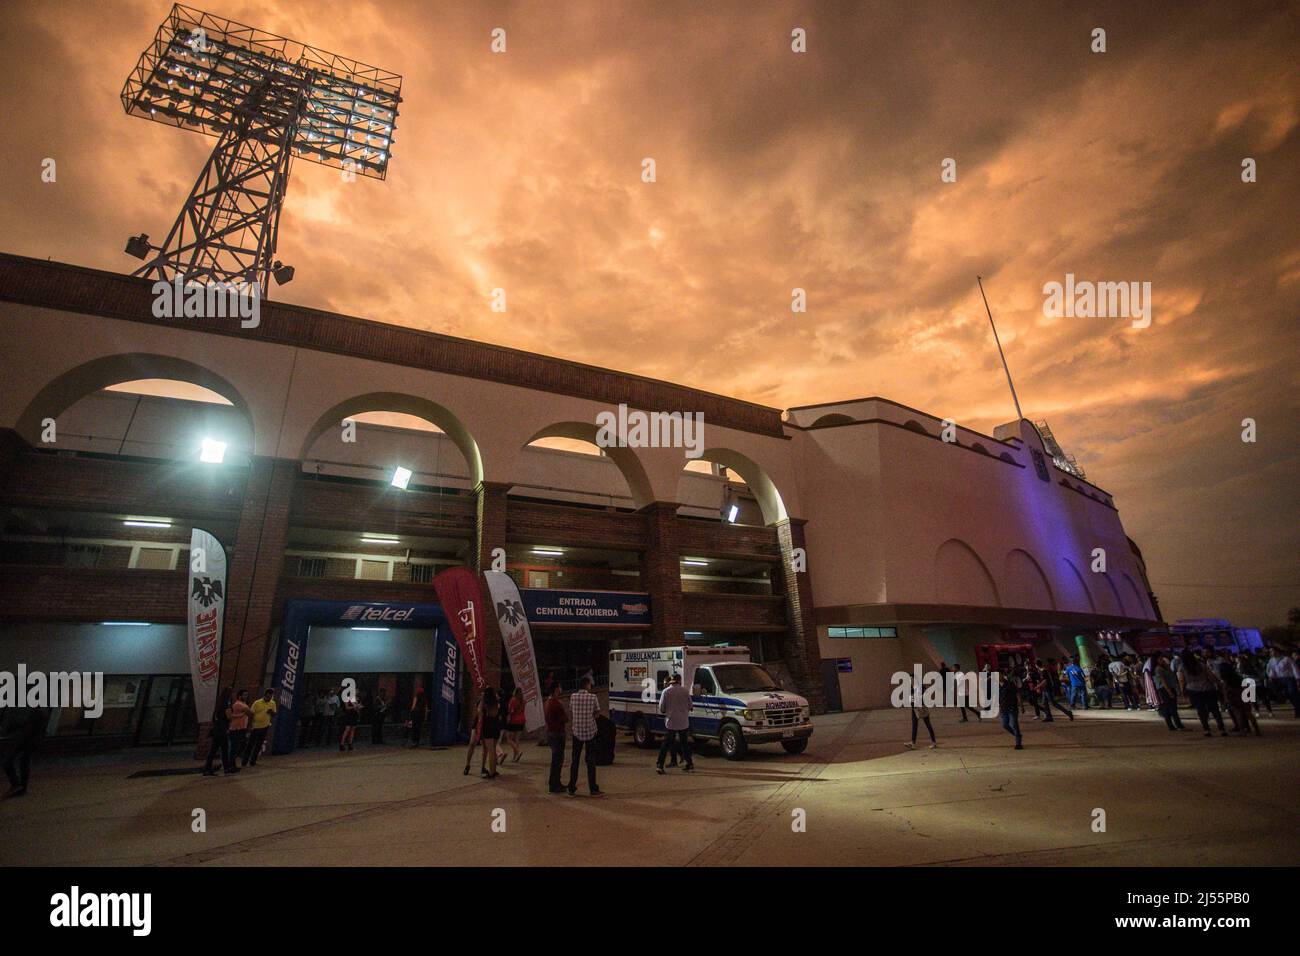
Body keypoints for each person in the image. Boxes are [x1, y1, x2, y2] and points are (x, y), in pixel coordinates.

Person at [566, 676, 602, 795]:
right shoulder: (593, 697)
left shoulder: (573, 697)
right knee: (591, 761)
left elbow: (571, 712)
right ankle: (593, 787)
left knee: (575, 760)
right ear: (587, 685)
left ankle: (572, 786)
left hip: (577, 731)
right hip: (590, 731)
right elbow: (597, 713)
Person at [1181, 650, 1228, 737]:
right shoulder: (1200, 664)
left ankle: (1207, 729)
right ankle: (1222, 729)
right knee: (1214, 709)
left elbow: (1182, 680)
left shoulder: (1183, 667)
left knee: (1201, 710)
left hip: (1193, 690)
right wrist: (1218, 683)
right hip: (1207, 688)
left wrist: (1182, 691)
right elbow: (1210, 675)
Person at [3, 706, 48, 797]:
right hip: (28, 740)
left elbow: (28, 727)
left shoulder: (36, 712)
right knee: (23, 762)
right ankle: (20, 787)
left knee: (16, 761)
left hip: (26, 740)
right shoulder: (38, 711)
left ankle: (18, 786)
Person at [656, 673, 694, 772]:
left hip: (671, 722)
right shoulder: (685, 691)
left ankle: (660, 765)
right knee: (684, 744)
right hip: (683, 722)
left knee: (665, 744)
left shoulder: (666, 691)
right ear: (679, 680)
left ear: (671, 681)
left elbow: (661, 708)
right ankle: (689, 764)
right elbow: (691, 706)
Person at [1220, 660, 1260, 737]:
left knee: (1238, 714)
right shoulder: (1238, 677)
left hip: (1234, 697)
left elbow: (1225, 689)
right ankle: (1257, 730)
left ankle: (1242, 730)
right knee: (1248, 713)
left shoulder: (1226, 679)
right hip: (1243, 695)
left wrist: (1226, 699)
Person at [203, 686, 238, 775]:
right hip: (223, 730)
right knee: (224, 749)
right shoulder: (227, 704)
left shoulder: (219, 704)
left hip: (217, 729)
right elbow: (229, 716)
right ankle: (226, 768)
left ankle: (207, 768)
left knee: (213, 750)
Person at [244, 688, 277, 766]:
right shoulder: (257, 703)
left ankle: (253, 761)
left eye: (271, 696)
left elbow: (274, 714)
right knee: (250, 744)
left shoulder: (272, 703)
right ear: (265, 695)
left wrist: (271, 712)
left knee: (259, 744)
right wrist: (250, 725)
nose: (269, 698)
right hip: (255, 726)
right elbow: (251, 714)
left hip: (265, 726)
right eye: (268, 696)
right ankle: (245, 761)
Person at [544, 683, 567, 794]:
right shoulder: (556, 704)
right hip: (557, 733)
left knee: (556, 759)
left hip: (551, 733)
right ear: (556, 689)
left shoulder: (548, 702)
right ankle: (555, 784)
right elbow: (565, 718)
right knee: (557, 760)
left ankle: (555, 783)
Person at [904, 674, 936, 750]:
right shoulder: (911, 688)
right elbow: (911, 698)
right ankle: (913, 743)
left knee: (928, 725)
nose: (910, 681)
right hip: (914, 709)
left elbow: (923, 696)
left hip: (921, 708)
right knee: (914, 726)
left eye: (911, 679)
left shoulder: (920, 687)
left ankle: (934, 742)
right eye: (909, 679)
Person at [1152, 656, 1184, 731]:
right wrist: (1169, 691)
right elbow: (1163, 681)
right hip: (1165, 689)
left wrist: (1167, 666)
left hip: (1168, 688)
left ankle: (1174, 725)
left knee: (1171, 707)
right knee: (1170, 708)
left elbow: (1171, 674)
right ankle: (1175, 725)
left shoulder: (1164, 668)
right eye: (1160, 659)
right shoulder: (1158, 669)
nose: (1162, 660)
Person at [1266, 647, 1300, 717]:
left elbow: (1294, 668)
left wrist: (1298, 679)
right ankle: (1297, 708)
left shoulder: (1286, 659)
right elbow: (1271, 670)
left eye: (1273, 651)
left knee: (1293, 694)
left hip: (1289, 679)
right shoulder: (1271, 661)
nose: (1272, 653)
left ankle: (1298, 710)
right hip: (1279, 680)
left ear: (1277, 651)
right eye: (1270, 651)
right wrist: (1271, 677)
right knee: (1288, 696)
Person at [479, 687, 501, 779]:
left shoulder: (484, 704)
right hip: (496, 726)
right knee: (494, 749)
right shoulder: (496, 703)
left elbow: (480, 716)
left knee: (490, 751)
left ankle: (491, 773)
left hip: (488, 726)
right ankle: (494, 770)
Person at [498, 687, 525, 763]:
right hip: (522, 720)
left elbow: (511, 711)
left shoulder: (513, 700)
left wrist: (507, 721)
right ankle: (515, 756)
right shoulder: (523, 700)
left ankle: (518, 751)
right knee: (516, 739)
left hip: (514, 721)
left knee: (509, 739)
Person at [999, 670, 1023, 749]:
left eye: (999, 675)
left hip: (1012, 708)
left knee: (1014, 725)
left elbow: (1017, 694)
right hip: (1003, 708)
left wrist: (1021, 705)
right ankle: (1017, 735)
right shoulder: (996, 686)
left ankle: (1018, 743)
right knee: (1005, 725)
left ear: (1003, 675)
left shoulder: (1010, 684)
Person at [228, 689, 252, 764]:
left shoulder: (244, 703)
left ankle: (233, 761)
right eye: (244, 695)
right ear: (239, 696)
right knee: (235, 746)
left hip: (242, 727)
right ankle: (231, 762)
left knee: (241, 744)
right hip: (236, 728)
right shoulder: (238, 704)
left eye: (247, 695)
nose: (246, 696)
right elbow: (249, 712)